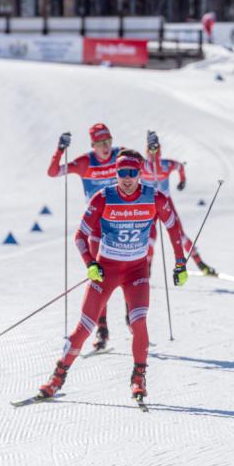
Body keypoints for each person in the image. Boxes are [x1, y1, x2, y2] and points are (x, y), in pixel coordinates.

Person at [35, 151, 189, 401]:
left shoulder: (155, 197)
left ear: (140, 173)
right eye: (121, 173)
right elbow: (80, 236)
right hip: (107, 270)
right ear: (116, 174)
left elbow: (173, 228)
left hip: (136, 272)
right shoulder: (103, 198)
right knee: (84, 328)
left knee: (139, 323)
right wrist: (91, 263)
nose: (127, 178)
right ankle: (56, 379)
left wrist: (180, 263)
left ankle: (138, 379)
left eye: (132, 173)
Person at [48, 123, 123, 352]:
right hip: (97, 228)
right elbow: (53, 172)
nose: (106, 147)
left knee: (128, 273)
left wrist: (152, 150)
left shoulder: (120, 156)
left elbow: (147, 167)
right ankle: (102, 329)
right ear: (93, 145)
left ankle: (132, 316)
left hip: (122, 224)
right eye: (101, 143)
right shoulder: (85, 162)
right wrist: (60, 149)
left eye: (108, 141)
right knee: (98, 278)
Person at [142, 137, 217, 276]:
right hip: (149, 205)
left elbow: (180, 166)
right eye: (151, 150)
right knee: (149, 238)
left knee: (178, 235)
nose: (153, 154)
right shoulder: (143, 165)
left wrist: (182, 181)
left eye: (155, 150)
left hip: (164, 203)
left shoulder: (163, 164)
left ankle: (200, 263)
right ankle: (147, 269)